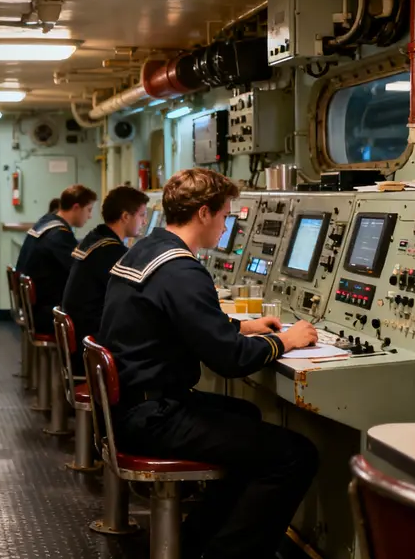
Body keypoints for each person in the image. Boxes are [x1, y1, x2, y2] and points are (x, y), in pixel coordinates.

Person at [97, 168, 319, 559]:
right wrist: (285, 339)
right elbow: (230, 360)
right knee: (296, 454)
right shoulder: (182, 270)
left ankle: (198, 539)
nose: (225, 224)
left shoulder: (147, 251)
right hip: (153, 416)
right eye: (225, 215)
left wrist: (243, 325)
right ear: (203, 213)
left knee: (245, 414)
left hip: (130, 405)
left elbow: (181, 320)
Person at [60, 185, 149, 375]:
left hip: (82, 338)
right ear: (125, 216)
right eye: (142, 215)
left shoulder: (95, 239)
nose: (144, 222)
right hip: (92, 344)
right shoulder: (111, 251)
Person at [14, 184, 97, 332]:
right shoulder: (59, 234)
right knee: (96, 317)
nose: (90, 216)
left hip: (32, 307)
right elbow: (79, 272)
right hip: (45, 313)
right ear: (76, 207)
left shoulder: (46, 222)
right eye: (89, 210)